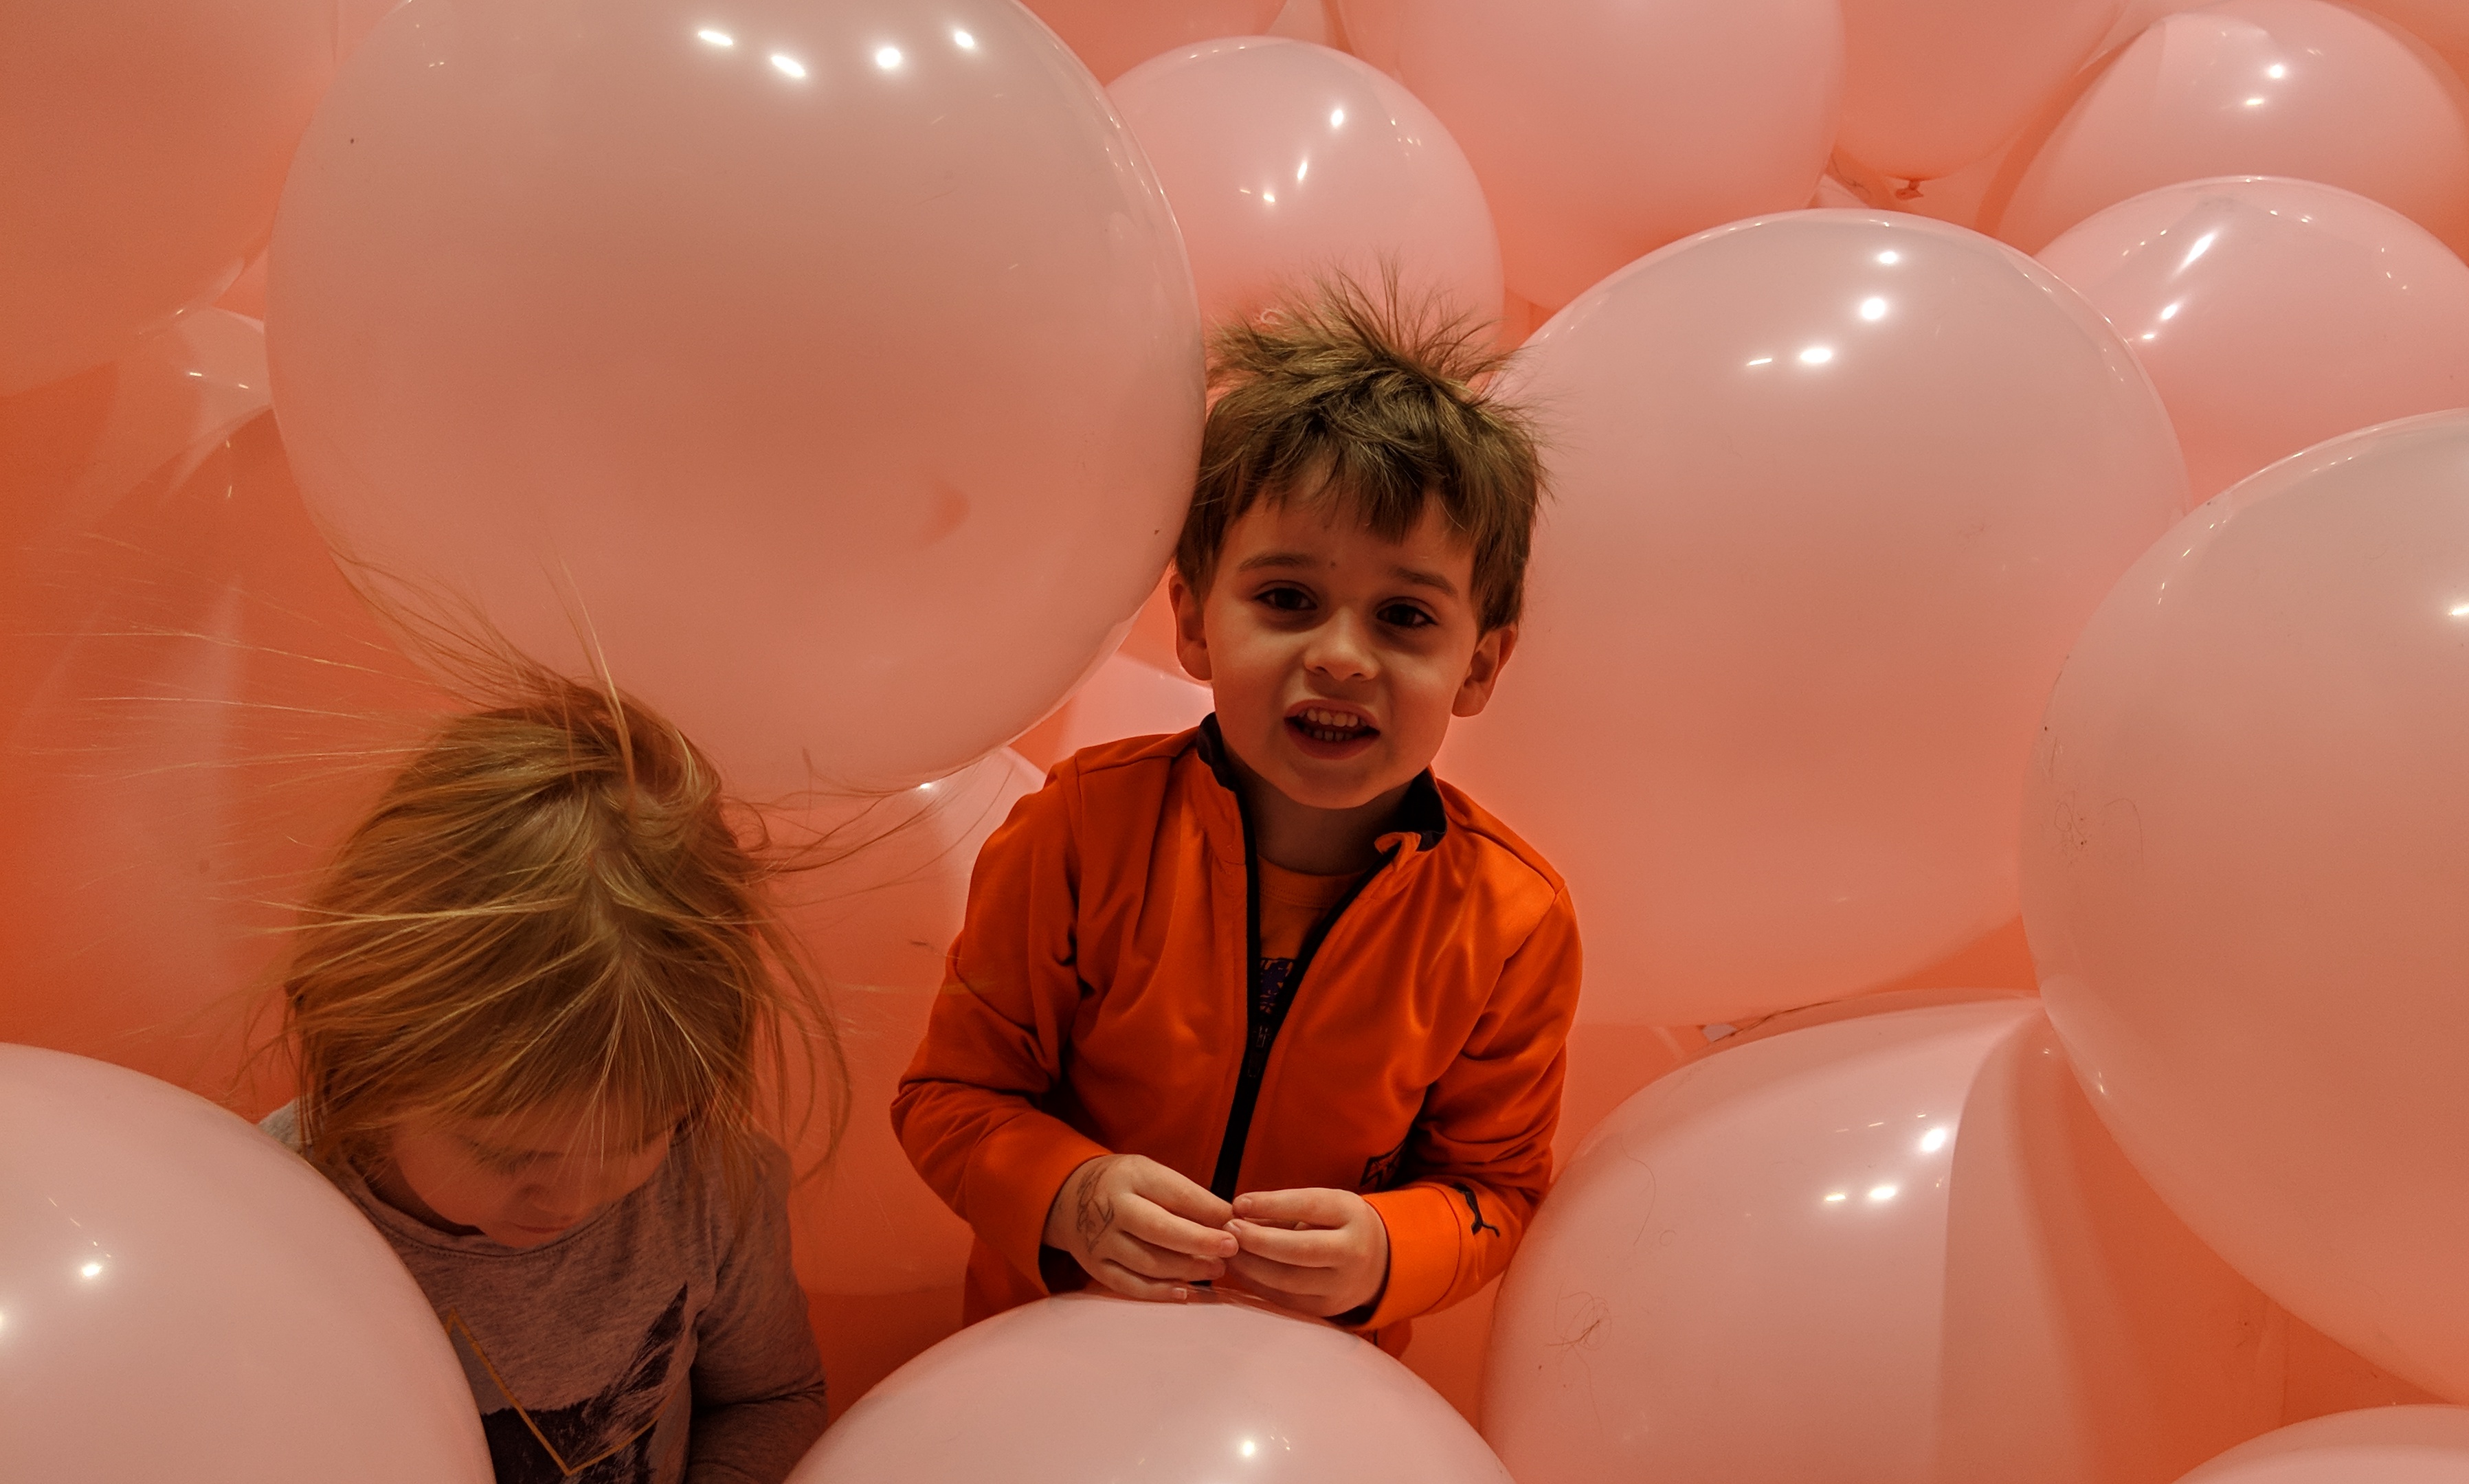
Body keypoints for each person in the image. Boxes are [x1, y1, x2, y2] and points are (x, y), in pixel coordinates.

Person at [894, 284, 1579, 1352]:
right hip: (1049, 1363)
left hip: (1305, 1391)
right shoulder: (1077, 830)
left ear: (1479, 667)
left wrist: (1389, 1249)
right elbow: (950, 1097)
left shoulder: (1512, 924)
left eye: (1405, 616)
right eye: (1288, 599)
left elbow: (1495, 1190)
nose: (1342, 656)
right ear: (1195, 623)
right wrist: (1068, 1193)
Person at [260, 661, 842, 1484]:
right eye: (507, 1154)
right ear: (360, 1055)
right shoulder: (270, 1218)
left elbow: (772, 1396)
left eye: (638, 1140)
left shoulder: (712, 1189)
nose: (568, 1201)